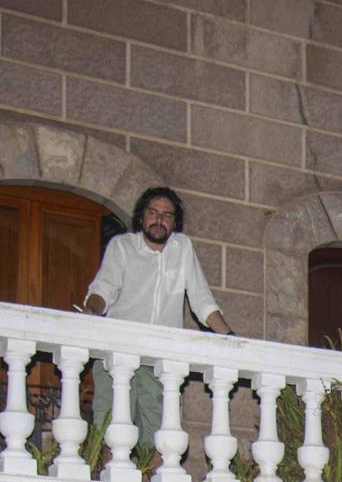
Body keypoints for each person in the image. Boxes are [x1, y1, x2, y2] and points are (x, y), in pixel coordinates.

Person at [83, 186, 231, 438]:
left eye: (167, 215)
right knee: (111, 432)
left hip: (161, 359)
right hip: (117, 353)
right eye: (153, 212)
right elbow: (103, 290)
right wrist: (91, 311)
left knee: (160, 435)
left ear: (174, 222)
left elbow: (201, 299)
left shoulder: (182, 248)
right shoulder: (122, 246)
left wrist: (230, 337)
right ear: (142, 216)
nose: (159, 219)